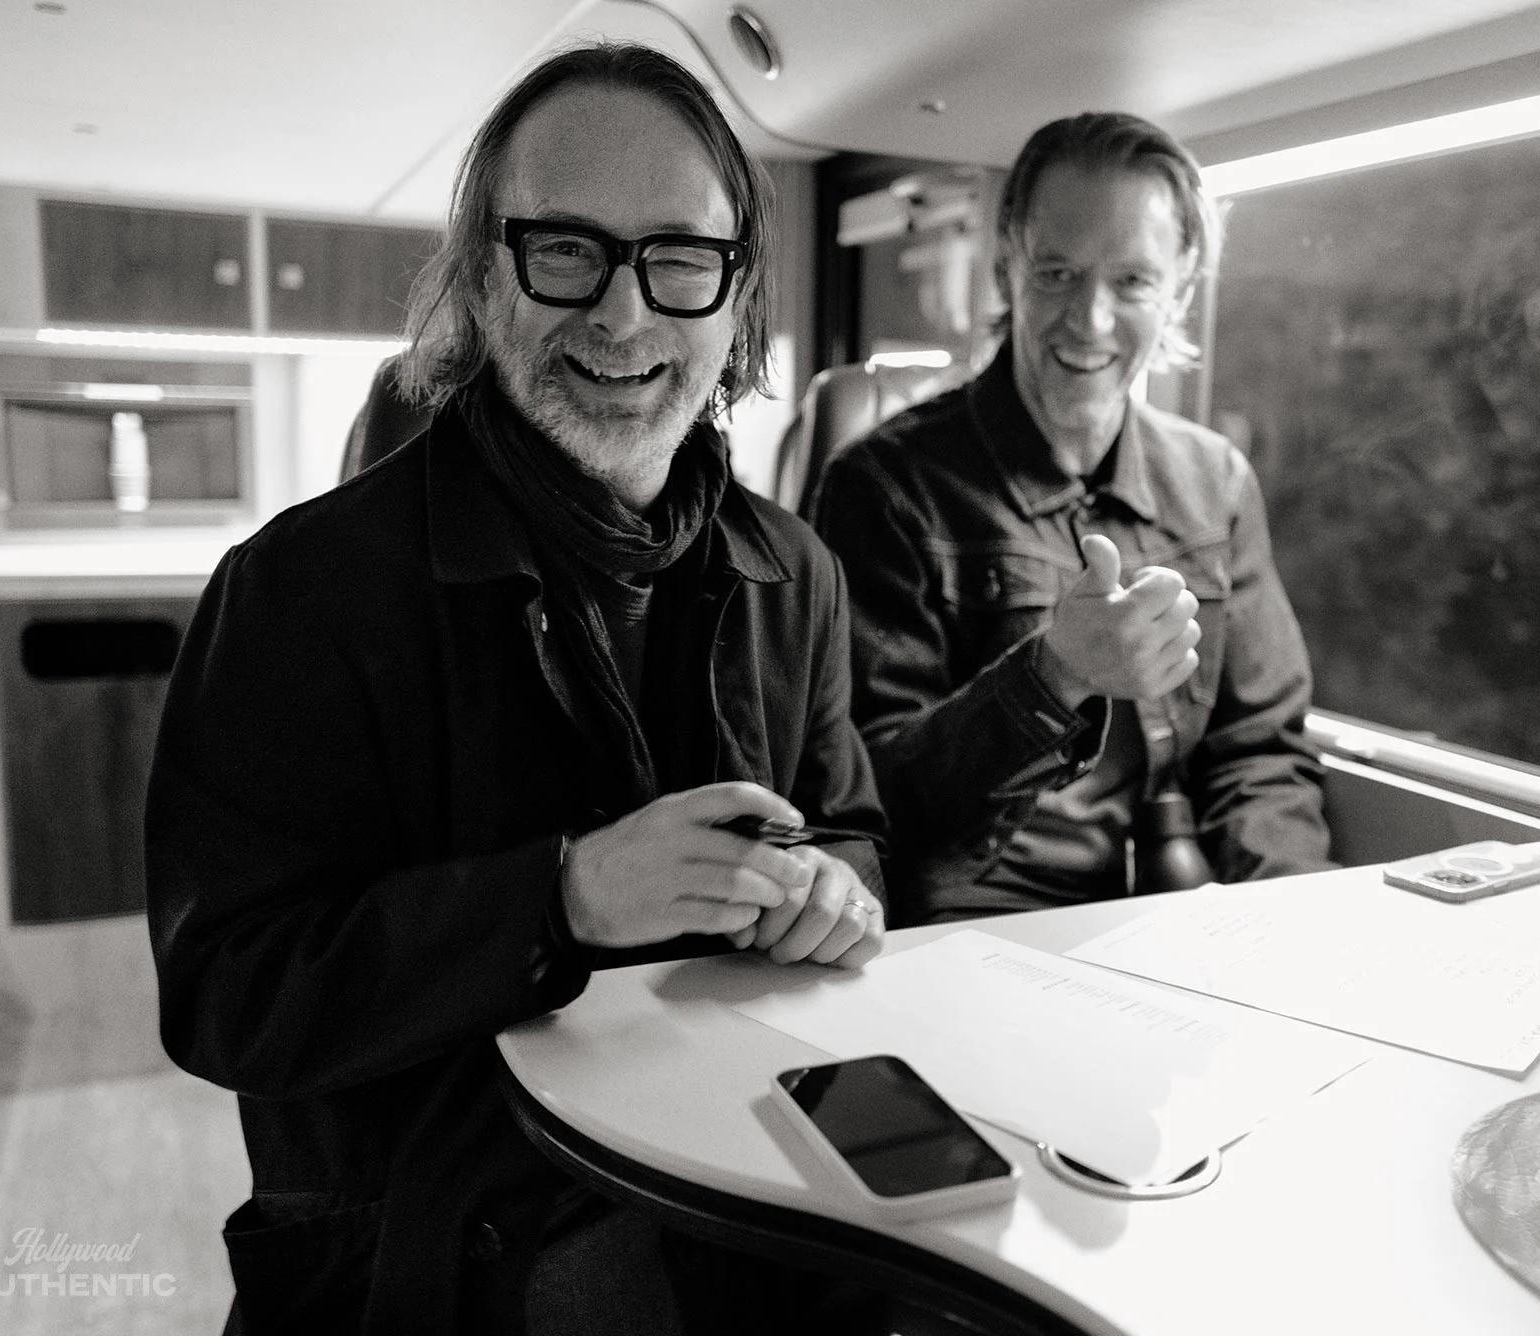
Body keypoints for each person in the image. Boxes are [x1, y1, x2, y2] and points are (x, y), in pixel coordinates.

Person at [144, 42, 887, 1336]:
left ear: (737, 298)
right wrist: (560, 899)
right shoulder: (301, 590)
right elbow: (227, 994)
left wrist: (834, 891)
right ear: (483, 279)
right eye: (565, 250)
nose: (623, 315)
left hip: (747, 1181)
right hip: (442, 1240)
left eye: (678, 258)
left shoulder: (796, 572)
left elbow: (853, 832)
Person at [814, 112, 1331, 925]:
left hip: (1168, 914)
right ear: (1006, 271)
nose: (1090, 320)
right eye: (1057, 273)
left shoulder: (1217, 483)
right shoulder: (883, 487)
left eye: (1132, 282)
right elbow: (864, 800)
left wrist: (1293, 922)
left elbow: (1259, 757)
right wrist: (1055, 676)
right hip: (970, 928)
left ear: (1180, 292)